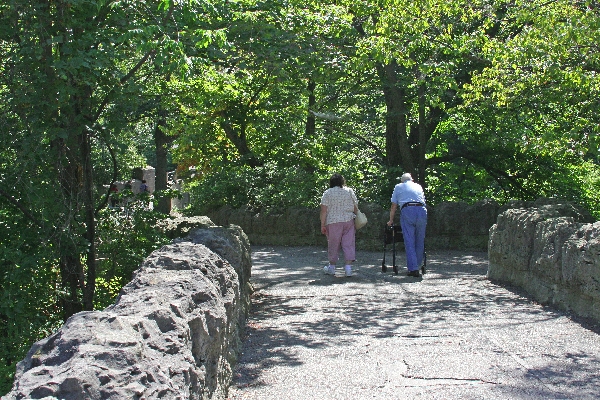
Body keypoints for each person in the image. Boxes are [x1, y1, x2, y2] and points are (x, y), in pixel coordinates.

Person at [387, 173, 427, 277]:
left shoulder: (398, 186)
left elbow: (394, 205)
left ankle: (413, 269)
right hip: (422, 210)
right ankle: (417, 265)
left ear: (402, 181)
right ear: (412, 179)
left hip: (408, 210)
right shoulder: (418, 186)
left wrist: (391, 220)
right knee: (420, 240)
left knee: (409, 240)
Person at [320, 173, 358, 277]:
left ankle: (332, 267)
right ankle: (348, 268)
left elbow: (324, 211)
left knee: (333, 244)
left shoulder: (327, 193)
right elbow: (355, 207)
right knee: (348, 243)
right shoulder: (349, 191)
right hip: (348, 220)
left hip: (333, 221)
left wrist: (322, 224)